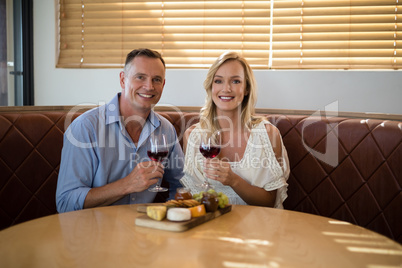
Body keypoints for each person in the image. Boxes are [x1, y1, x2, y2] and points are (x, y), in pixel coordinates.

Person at [56, 48, 184, 213]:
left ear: (163, 85)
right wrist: (127, 185)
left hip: (148, 231)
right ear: (123, 80)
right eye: (140, 77)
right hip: (95, 233)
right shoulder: (86, 127)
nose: (149, 86)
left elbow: (181, 186)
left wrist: (171, 217)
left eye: (156, 79)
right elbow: (66, 202)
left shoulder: (166, 130)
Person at [180, 51, 289, 208]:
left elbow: (270, 202)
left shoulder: (267, 134)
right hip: (211, 227)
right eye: (218, 81)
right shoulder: (193, 136)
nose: (226, 89)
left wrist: (233, 180)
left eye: (235, 81)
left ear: (246, 89)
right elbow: (194, 199)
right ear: (211, 88)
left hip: (258, 227)